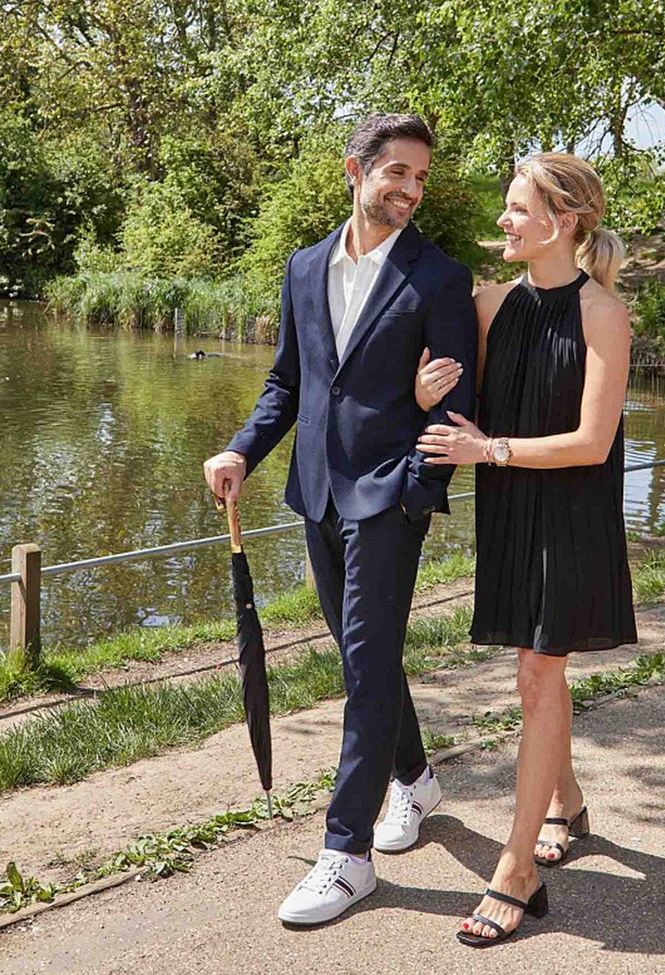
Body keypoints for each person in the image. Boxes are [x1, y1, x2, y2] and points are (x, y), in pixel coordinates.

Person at [203, 113, 477, 926]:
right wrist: (241, 450)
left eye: (420, 177)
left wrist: (415, 487)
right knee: (367, 656)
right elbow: (289, 383)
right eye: (398, 173)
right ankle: (416, 779)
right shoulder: (304, 266)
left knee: (365, 664)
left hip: (388, 498)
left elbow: (454, 406)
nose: (411, 189)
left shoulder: (441, 278)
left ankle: (347, 854)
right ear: (354, 171)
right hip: (316, 491)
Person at [414, 152, 636, 947]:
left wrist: (491, 451)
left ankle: (516, 870)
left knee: (539, 673)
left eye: (516, 208)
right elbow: (454, 403)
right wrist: (425, 393)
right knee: (536, 672)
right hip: (509, 512)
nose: (503, 220)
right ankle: (566, 802)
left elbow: (591, 442)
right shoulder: (486, 304)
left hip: (573, 515)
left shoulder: (604, 315)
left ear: (563, 220)